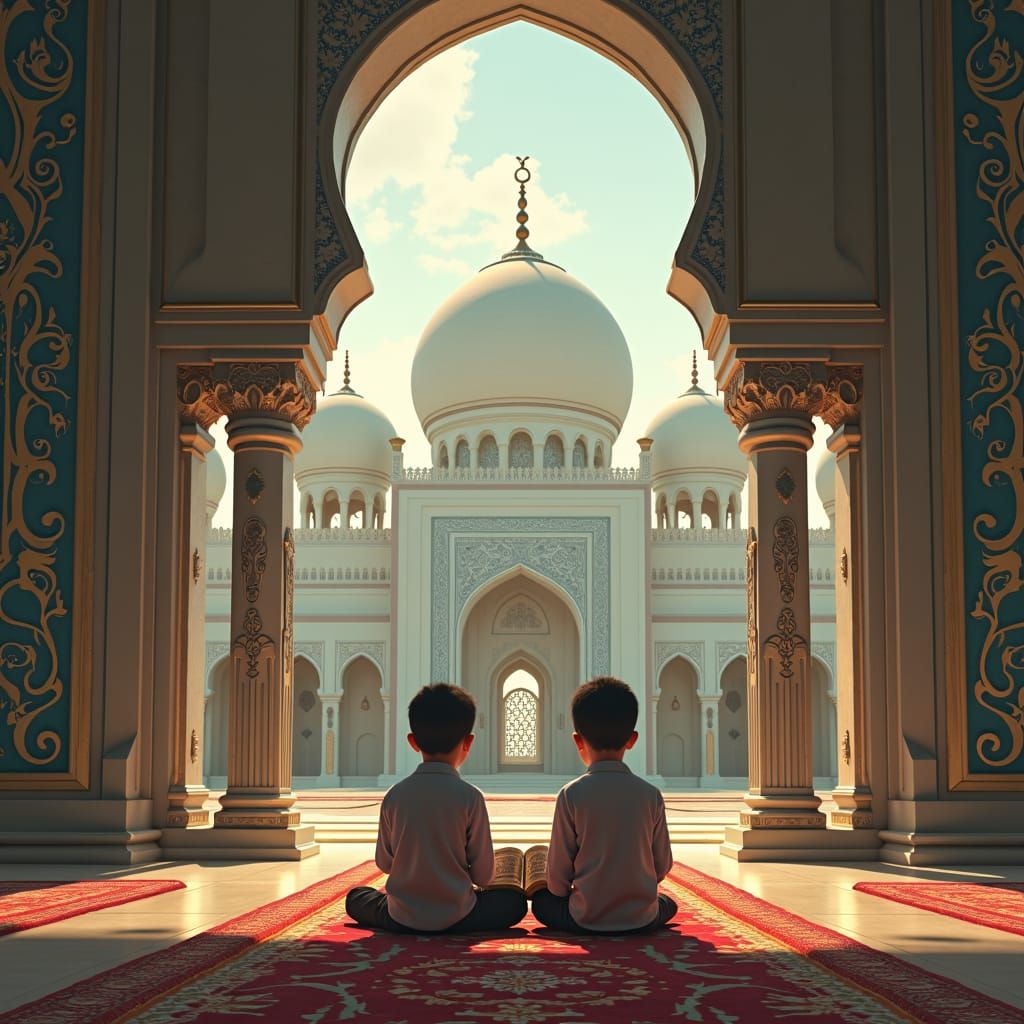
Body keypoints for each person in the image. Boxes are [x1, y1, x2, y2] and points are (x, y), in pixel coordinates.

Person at [346, 683, 526, 933]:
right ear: (468, 742)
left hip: (401, 916)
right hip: (459, 915)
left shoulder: (395, 795)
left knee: (356, 897)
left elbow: (385, 863)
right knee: (514, 904)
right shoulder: (470, 797)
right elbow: (484, 877)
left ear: (413, 741)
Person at [532, 676, 677, 933]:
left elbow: (557, 880)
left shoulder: (571, 795)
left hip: (585, 916)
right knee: (669, 905)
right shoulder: (650, 794)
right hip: (640, 918)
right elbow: (662, 865)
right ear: (632, 739)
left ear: (578, 741)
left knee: (542, 904)